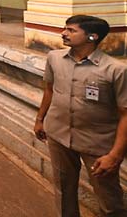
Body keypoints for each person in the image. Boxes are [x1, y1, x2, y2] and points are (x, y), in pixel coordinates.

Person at [34, 15, 127, 216]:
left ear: (92, 37)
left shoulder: (115, 70)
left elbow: (125, 113)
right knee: (63, 189)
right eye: (64, 29)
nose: (64, 33)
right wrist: (40, 120)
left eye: (71, 30)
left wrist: (115, 155)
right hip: (59, 135)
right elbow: (49, 90)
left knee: (109, 199)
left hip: (98, 143)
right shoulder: (55, 58)